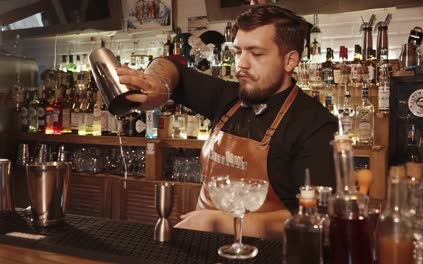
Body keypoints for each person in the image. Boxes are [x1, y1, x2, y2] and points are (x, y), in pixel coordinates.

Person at [117, 5, 337, 239]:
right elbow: (170, 66)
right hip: (205, 247)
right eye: (238, 51)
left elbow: (319, 219)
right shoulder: (227, 97)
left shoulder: (317, 125)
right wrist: (157, 83)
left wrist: (220, 222)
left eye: (256, 53)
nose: (241, 63)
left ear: (290, 60)